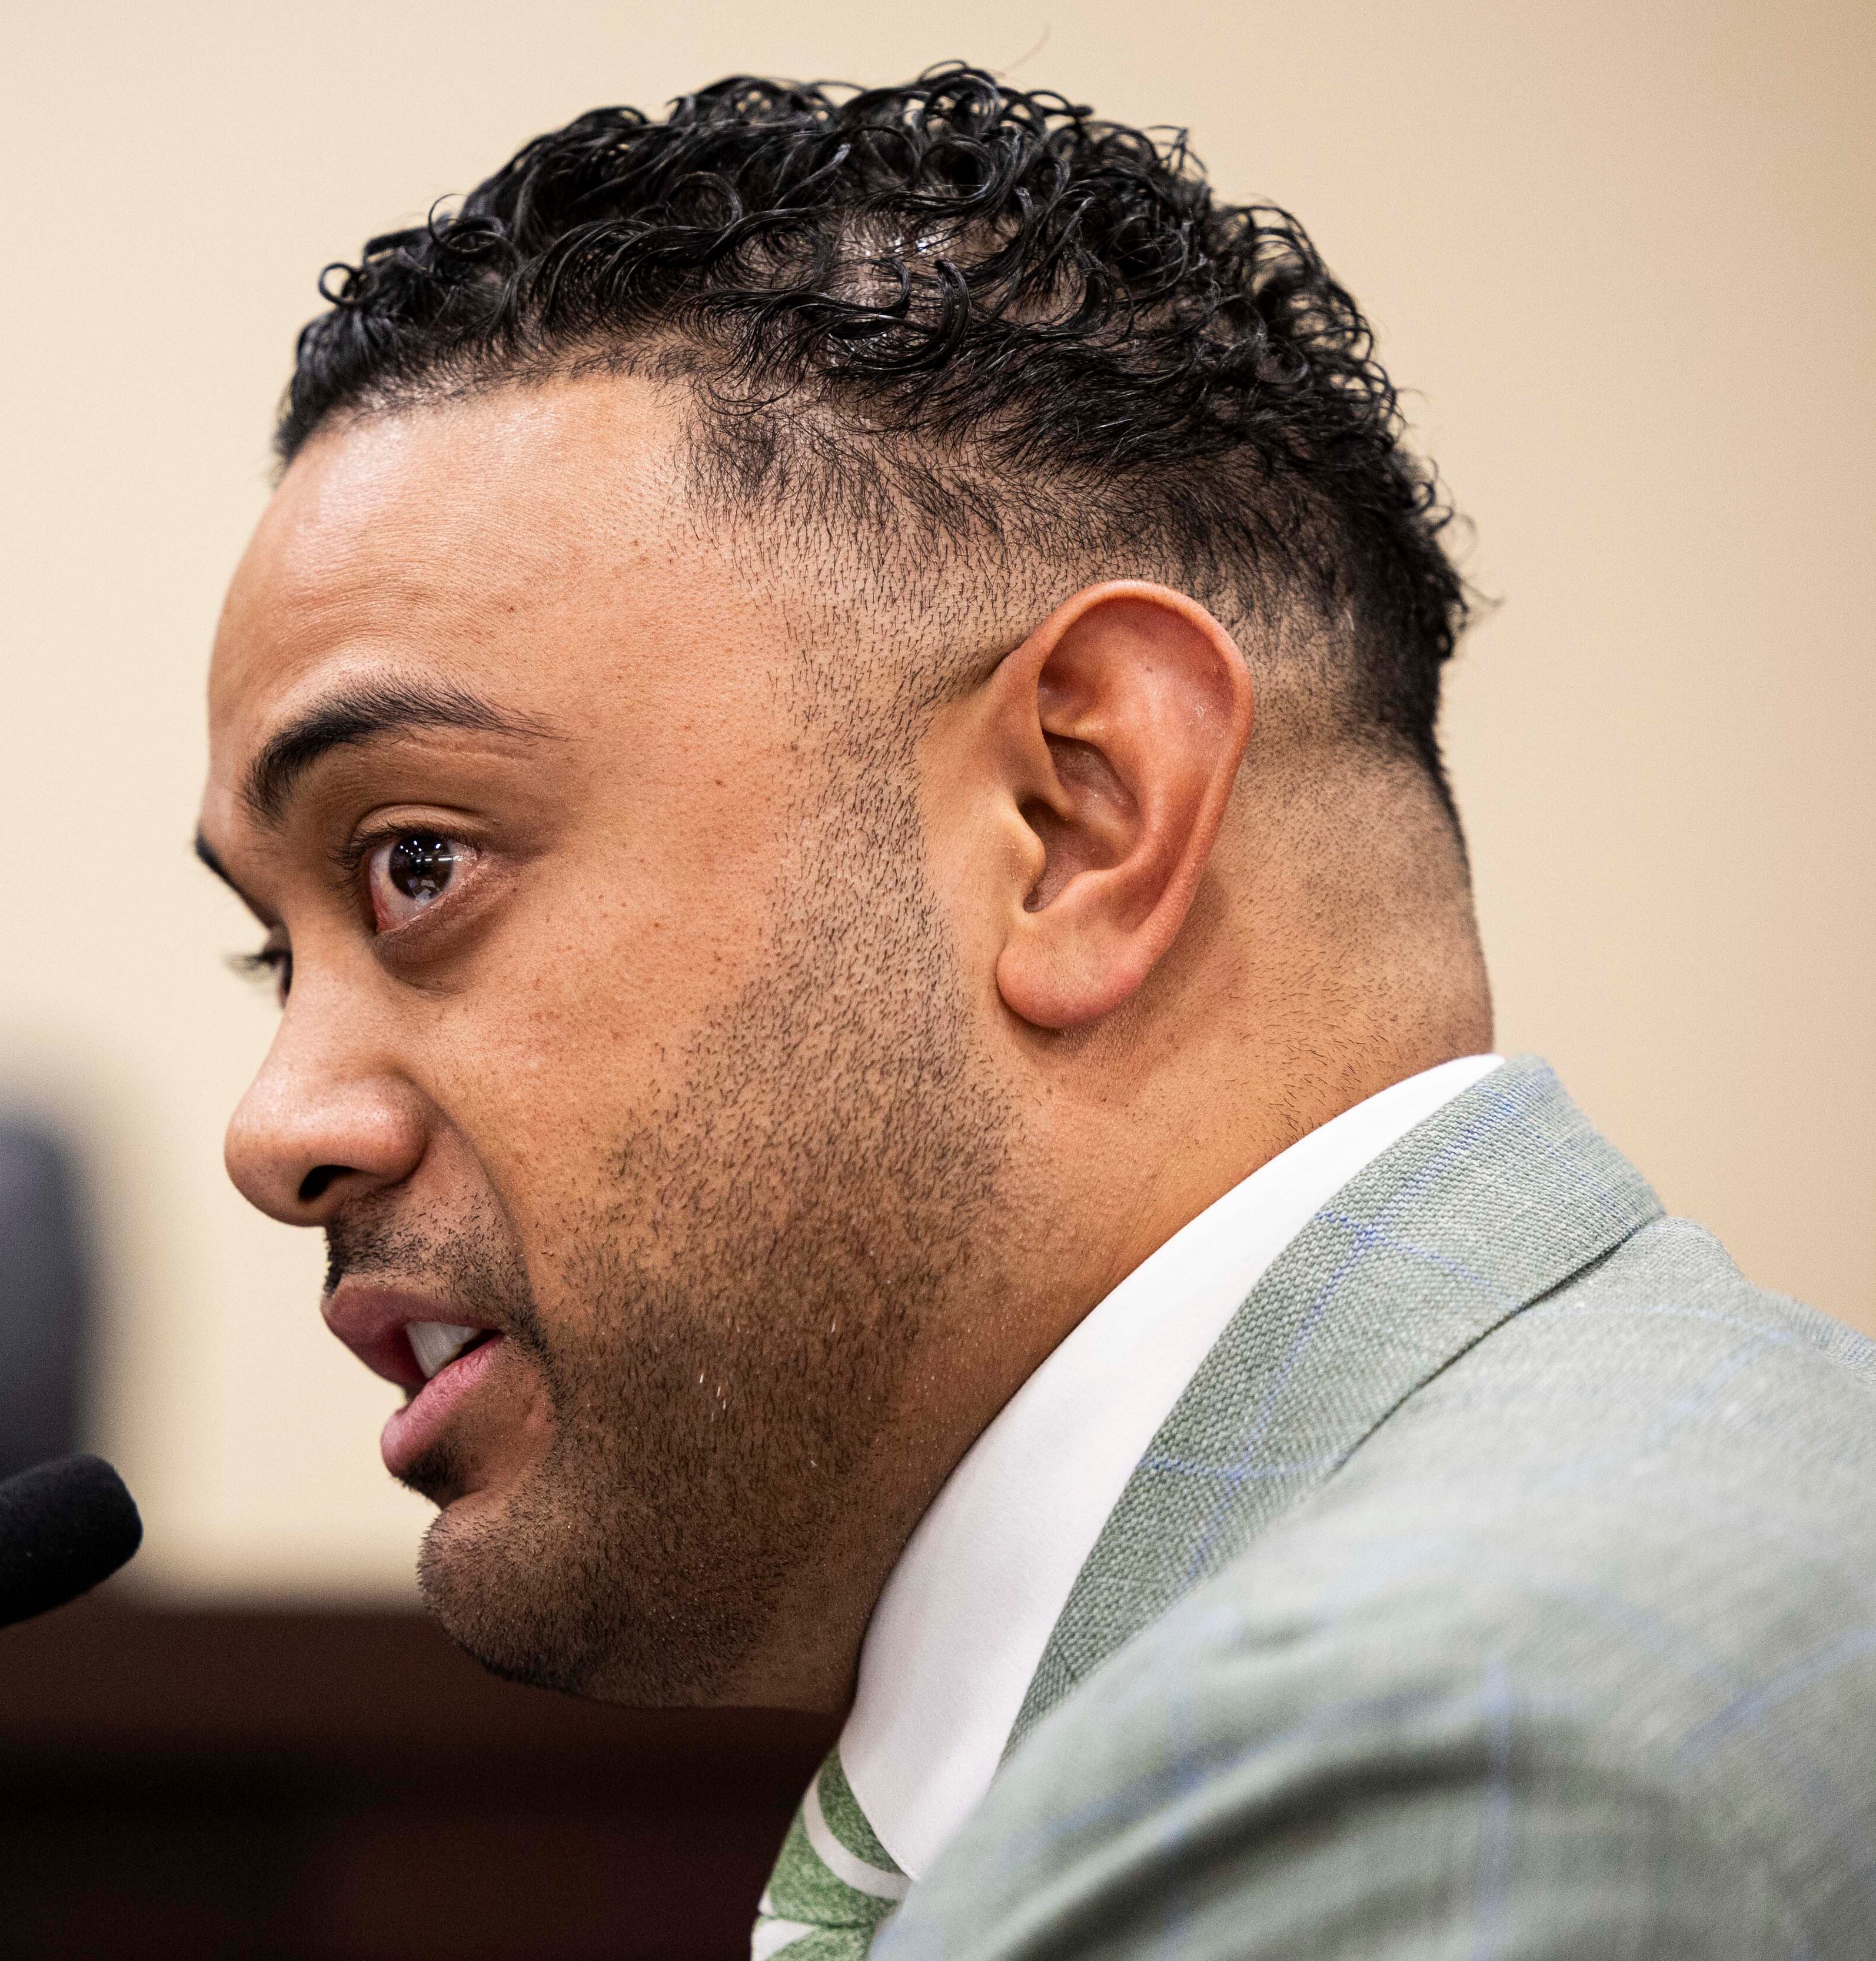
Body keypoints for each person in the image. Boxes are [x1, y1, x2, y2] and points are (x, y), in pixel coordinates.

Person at [191, 66, 1876, 1960]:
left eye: (416, 863)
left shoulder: (1443, 1761)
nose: (277, 1128)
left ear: (1082, 819)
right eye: (277, 954)